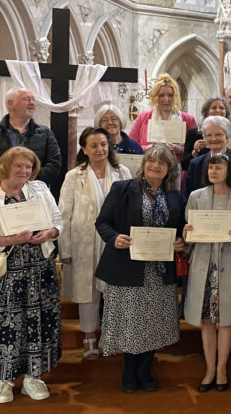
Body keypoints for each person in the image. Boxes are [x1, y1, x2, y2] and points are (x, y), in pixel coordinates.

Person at [0, 147, 63, 403]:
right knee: (1, 326)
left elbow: (58, 221)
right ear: (5, 166)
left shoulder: (39, 189)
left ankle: (33, 377)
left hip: (38, 271)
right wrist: (7, 239)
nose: (24, 171)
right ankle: (3, 380)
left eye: (29, 167)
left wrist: (49, 233)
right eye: (19, 166)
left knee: (36, 324)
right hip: (0, 275)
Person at [95, 145, 186, 394]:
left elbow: (181, 229)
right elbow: (102, 222)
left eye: (162, 163)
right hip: (127, 267)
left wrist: (181, 242)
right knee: (131, 322)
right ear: (144, 164)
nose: (155, 166)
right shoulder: (123, 188)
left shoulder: (174, 196)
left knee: (154, 322)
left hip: (159, 271)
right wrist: (114, 238)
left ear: (169, 170)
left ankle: (145, 369)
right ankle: (129, 370)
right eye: (151, 161)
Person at [57, 128, 132, 361]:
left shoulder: (122, 172)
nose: (100, 149)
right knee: (87, 290)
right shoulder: (74, 176)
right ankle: (89, 337)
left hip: (114, 240)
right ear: (84, 150)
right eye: (94, 145)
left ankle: (113, 336)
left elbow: (131, 208)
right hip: (83, 241)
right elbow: (63, 214)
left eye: (103, 144)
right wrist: (65, 249)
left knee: (115, 290)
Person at [183, 154, 231, 393]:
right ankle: (209, 369)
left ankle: (221, 369)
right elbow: (188, 238)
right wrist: (187, 233)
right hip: (203, 265)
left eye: (219, 167)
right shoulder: (195, 196)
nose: (213, 171)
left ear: (229, 170)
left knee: (226, 320)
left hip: (228, 264)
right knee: (206, 321)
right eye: (211, 167)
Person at [0, 88, 63, 189]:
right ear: (10, 104)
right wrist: (6, 182)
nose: (32, 103)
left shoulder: (45, 132)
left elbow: (54, 164)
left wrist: (28, 180)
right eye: (26, 99)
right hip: (0, 191)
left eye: (33, 100)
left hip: (35, 191)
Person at [128, 74, 198, 157]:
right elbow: (130, 146)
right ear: (155, 97)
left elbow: (197, 149)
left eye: (170, 95)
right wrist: (147, 148)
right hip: (150, 163)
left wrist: (181, 150)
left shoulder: (189, 119)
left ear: (175, 96)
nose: (166, 99)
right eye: (161, 95)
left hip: (178, 166)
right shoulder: (143, 117)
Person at [184, 116, 231, 197]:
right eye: (209, 135)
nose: (213, 139)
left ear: (227, 137)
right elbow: (187, 197)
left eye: (218, 134)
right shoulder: (195, 164)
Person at [182, 96, 230, 171]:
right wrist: (195, 151)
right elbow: (184, 165)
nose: (218, 111)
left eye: (221, 108)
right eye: (214, 108)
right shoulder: (193, 133)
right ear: (206, 112)